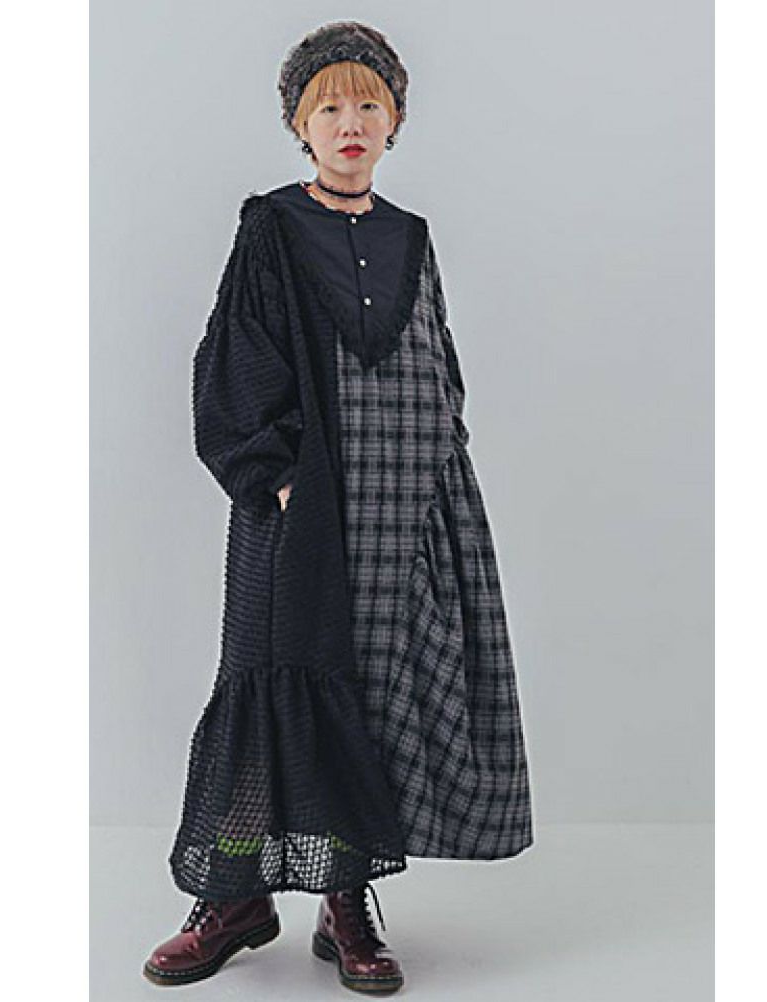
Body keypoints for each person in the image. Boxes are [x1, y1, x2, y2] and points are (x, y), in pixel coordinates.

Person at [143, 20, 533, 995]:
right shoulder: (271, 226)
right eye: (329, 107)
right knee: (268, 683)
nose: (349, 122)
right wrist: (276, 474)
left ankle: (344, 899)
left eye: (369, 104)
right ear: (299, 126)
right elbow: (233, 355)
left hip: (407, 501)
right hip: (306, 508)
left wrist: (441, 466)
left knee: (373, 698)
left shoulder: (411, 235)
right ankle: (234, 896)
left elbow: (438, 357)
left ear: (394, 122)